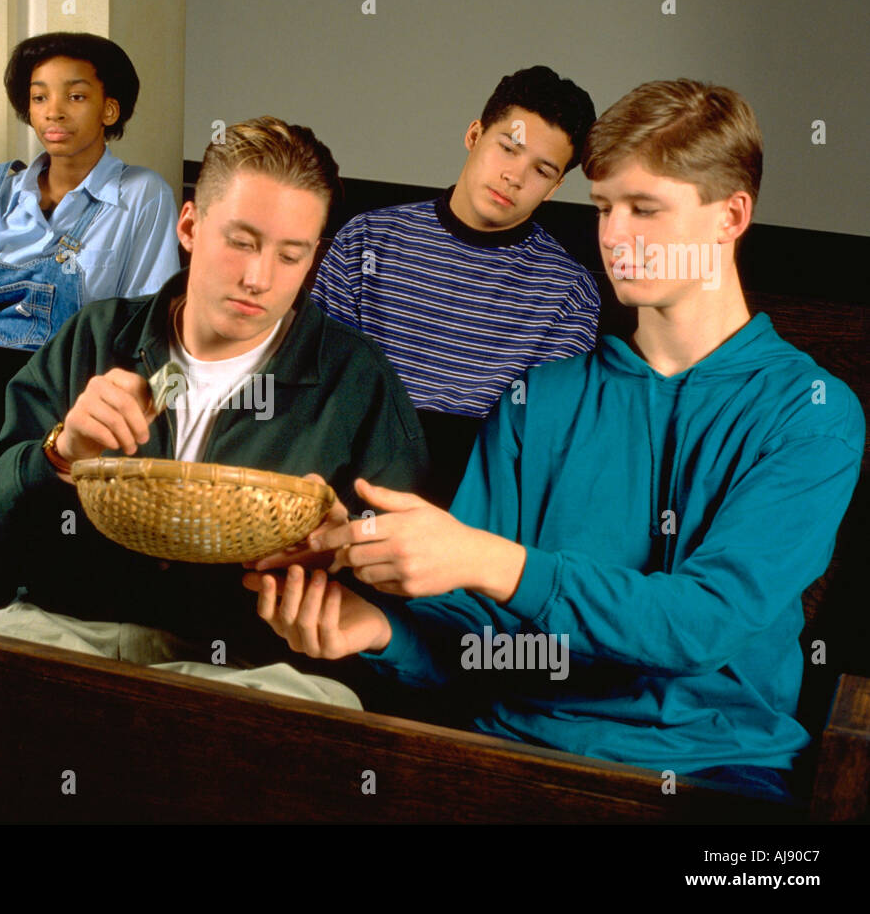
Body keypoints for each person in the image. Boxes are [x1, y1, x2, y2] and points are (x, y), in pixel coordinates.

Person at [248, 81, 864, 798]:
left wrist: (491, 558)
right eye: (604, 207)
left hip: (711, 775)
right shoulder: (539, 396)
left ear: (731, 216)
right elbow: (478, 644)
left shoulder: (810, 412)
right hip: (510, 755)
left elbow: (703, 622)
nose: (615, 236)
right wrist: (378, 629)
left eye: (646, 208)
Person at [0, 117, 429, 706]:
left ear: (314, 260)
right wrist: (58, 454)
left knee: (319, 712)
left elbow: (411, 614)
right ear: (191, 224)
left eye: (290, 255)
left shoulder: (357, 383)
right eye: (242, 241)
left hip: (251, 669)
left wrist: (343, 558)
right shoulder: (96, 337)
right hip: (64, 633)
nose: (258, 279)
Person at [312, 66, 599, 419]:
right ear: (475, 135)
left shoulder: (568, 292)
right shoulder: (365, 241)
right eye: (508, 149)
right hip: (351, 463)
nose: (514, 177)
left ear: (554, 188)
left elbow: (546, 431)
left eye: (541, 171)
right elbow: (319, 390)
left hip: (490, 471)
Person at [0, 32, 179, 348]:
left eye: (76, 97)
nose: (54, 112)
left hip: (83, 388)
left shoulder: (142, 195)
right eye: (40, 98)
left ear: (109, 110)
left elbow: (145, 326)